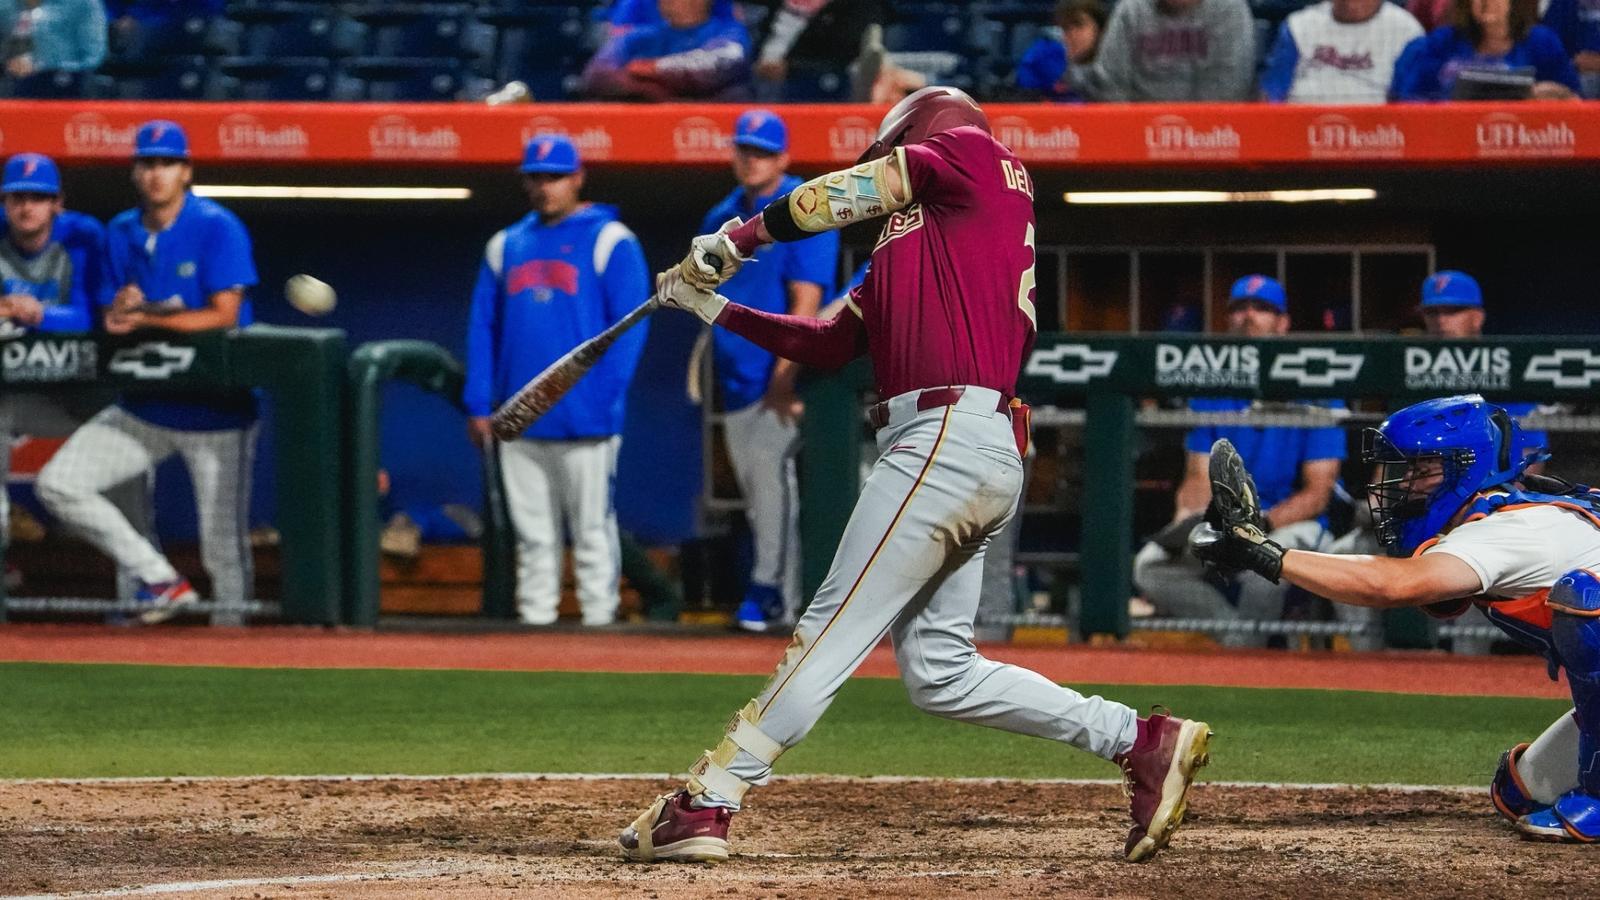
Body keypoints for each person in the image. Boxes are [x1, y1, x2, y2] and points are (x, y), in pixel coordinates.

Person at [618, 86, 1212, 866]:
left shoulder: (975, 155)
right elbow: (831, 346)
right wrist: (712, 306)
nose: (885, 176)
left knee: (828, 631)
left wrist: (741, 235)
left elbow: (867, 185)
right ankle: (1140, 741)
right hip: (966, 446)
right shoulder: (921, 247)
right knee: (941, 672)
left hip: (945, 437)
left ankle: (710, 801)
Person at [1191, 394, 1600, 843]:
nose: (1407, 484)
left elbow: (1393, 585)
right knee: (1519, 792)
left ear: (1469, 468)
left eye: (1425, 471)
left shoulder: (1509, 530)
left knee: (1586, 602)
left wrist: (1267, 554)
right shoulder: (1505, 515)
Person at [37, 120, 258, 627]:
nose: (156, 174)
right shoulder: (120, 231)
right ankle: (159, 579)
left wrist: (147, 317)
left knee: (220, 548)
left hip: (215, 409)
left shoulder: (217, 225)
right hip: (146, 403)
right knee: (60, 483)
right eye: (147, 164)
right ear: (136, 173)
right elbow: (112, 318)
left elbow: (223, 314)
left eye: (167, 164)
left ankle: (238, 651)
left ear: (186, 172)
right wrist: (121, 310)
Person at [464, 134, 650, 627]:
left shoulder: (611, 239)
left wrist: (604, 396)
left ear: (578, 178)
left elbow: (631, 326)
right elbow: (483, 326)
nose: (546, 187)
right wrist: (479, 402)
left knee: (591, 529)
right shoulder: (505, 244)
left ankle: (598, 620)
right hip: (520, 414)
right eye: (537, 177)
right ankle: (536, 625)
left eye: (556, 176)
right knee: (533, 535)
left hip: (585, 416)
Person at [1325, 269, 1547, 652]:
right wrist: (1383, 511)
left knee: (1480, 572)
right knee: (1345, 555)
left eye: (1453, 311)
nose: (1442, 322)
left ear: (1477, 317)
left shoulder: (1507, 378)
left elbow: (1528, 472)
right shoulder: (1415, 383)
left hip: (1478, 521)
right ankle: (1369, 667)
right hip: (1416, 515)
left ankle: (1465, 676)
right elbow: (1388, 468)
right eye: (1434, 313)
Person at [1132, 275, 1346, 649]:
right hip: (1226, 523)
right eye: (1240, 308)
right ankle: (1240, 642)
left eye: (1262, 309)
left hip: (1290, 524)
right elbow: (1198, 475)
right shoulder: (1213, 390)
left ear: (1283, 323)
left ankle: (1245, 654)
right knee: (1151, 567)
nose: (1249, 316)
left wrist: (1257, 526)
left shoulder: (1316, 386)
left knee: (1263, 568)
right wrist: (1188, 521)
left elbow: (1317, 492)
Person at [701, 110, 838, 632]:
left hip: (776, 379)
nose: (751, 159)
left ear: (783, 158)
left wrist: (786, 375)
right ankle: (780, 593)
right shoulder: (723, 214)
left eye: (762, 151)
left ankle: (773, 594)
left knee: (777, 488)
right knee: (760, 500)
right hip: (736, 378)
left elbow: (806, 298)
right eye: (744, 149)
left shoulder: (803, 210)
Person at [1391, 0, 1581, 99]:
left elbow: (1577, 102)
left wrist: (1555, 95)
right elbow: (1408, 100)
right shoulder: (1439, 45)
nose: (1486, 2)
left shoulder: (1542, 43)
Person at [580, 0, 752, 101]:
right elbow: (595, 74)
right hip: (650, 124)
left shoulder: (729, 31)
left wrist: (655, 68)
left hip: (711, 132)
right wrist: (653, 92)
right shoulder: (643, 36)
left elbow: (721, 63)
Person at [1259, 0, 1423, 102]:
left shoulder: (1406, 30)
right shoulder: (1299, 26)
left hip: (1378, 140)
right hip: (1300, 135)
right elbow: (1271, 96)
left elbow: (1413, 106)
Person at [1090, 0, 1256, 101]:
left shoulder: (1230, 10)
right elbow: (1111, 82)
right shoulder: (1130, 10)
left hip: (1211, 136)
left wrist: (1187, 133)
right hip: (1137, 131)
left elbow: (1231, 85)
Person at [0, 0, 105, 97]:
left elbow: (93, 55)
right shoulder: (6, 4)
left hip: (64, 86)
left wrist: (41, 67)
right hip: (10, 81)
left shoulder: (82, 4)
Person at [1014, 0, 1110, 101]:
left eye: (1079, 25)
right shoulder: (1041, 58)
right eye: (1066, 28)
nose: (1072, 34)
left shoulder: (1116, 65)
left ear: (1100, 29)